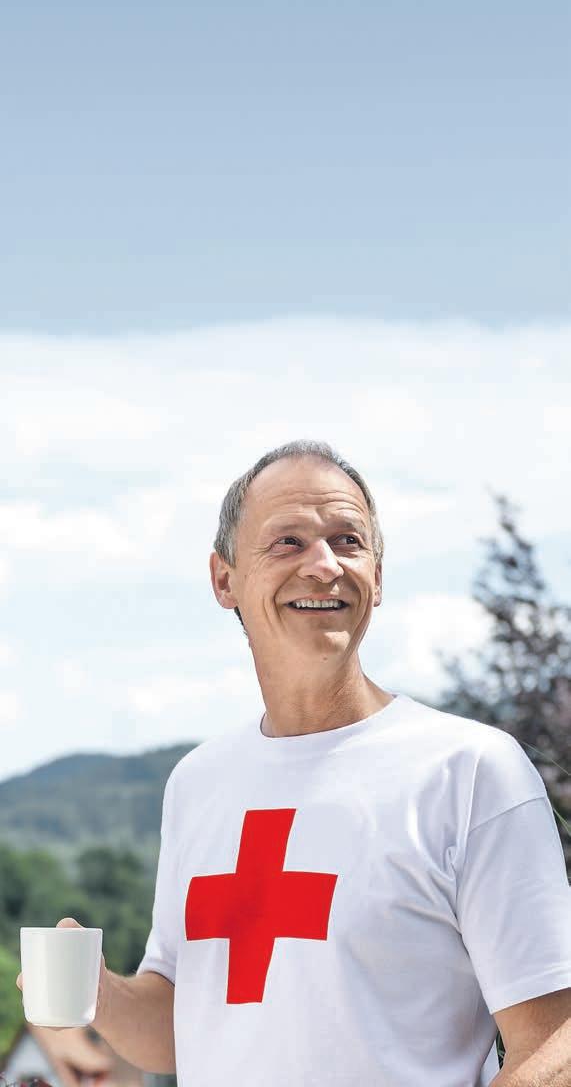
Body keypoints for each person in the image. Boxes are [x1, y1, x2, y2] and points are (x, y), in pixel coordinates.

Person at [17, 439, 571, 1085]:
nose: (324, 565)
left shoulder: (469, 771)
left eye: (347, 541)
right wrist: (101, 992)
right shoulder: (198, 783)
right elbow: (180, 1024)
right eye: (288, 542)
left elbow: (552, 1041)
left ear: (378, 577)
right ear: (224, 579)